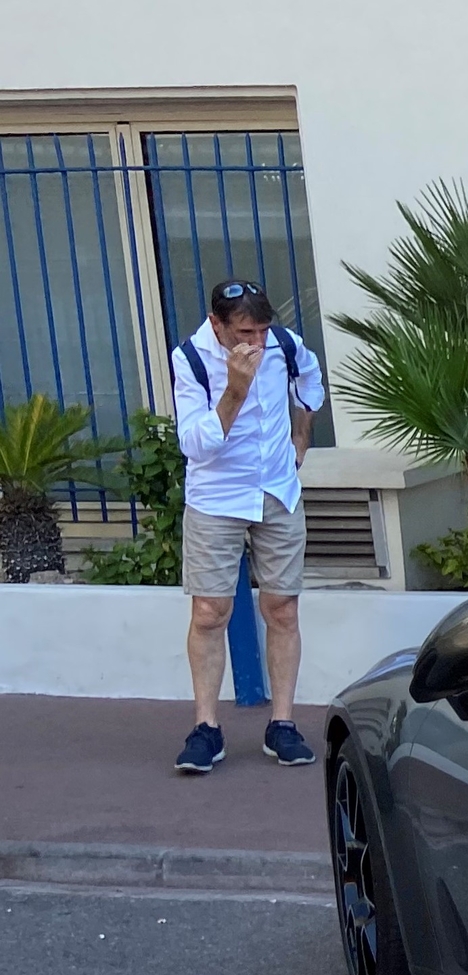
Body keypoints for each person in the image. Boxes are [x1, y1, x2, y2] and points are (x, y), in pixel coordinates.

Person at [170, 278, 325, 773]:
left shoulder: (283, 344)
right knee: (210, 612)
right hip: (217, 498)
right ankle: (206, 729)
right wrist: (235, 391)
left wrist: (302, 437)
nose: (255, 342)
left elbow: (311, 382)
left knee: (281, 608)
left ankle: (281, 724)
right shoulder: (191, 359)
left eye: (261, 329)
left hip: (277, 490)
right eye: (243, 331)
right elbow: (195, 445)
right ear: (217, 323)